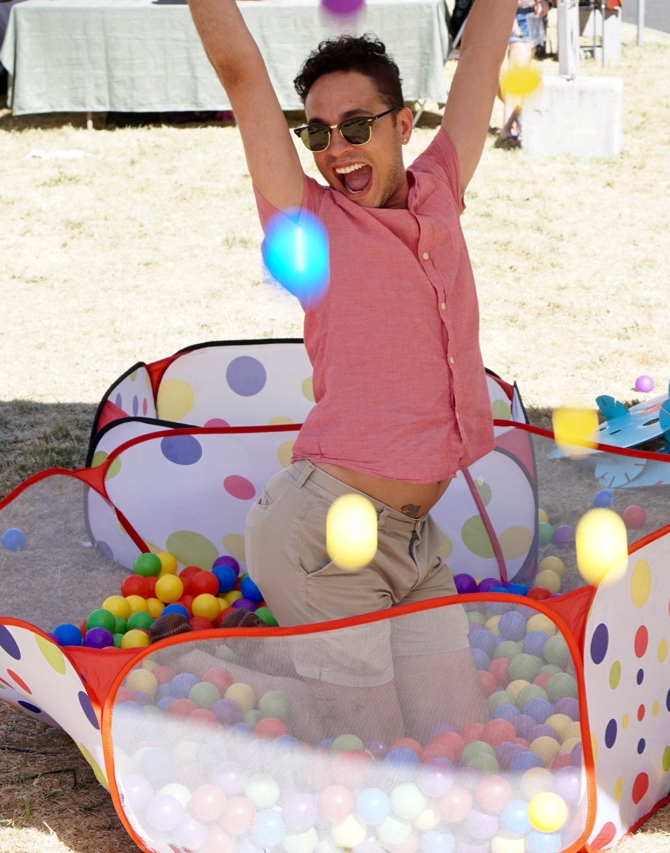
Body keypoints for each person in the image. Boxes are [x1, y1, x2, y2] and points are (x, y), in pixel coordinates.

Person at [188, 0, 517, 745]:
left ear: (403, 125)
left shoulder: (440, 189)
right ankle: (254, 681)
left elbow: (484, 61)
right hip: (322, 535)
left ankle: (265, 672)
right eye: (319, 133)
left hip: (411, 539)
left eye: (358, 126)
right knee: (375, 762)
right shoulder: (308, 225)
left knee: (456, 739)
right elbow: (242, 76)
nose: (336, 150)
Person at [498, 0, 550, 146]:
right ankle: (518, 118)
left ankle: (507, 130)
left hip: (525, 17)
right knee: (498, 78)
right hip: (497, 16)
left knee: (516, 76)